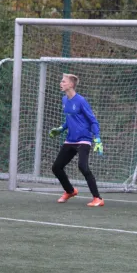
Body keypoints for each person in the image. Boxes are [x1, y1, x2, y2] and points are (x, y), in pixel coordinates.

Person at [48, 73, 105, 207]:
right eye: (61, 81)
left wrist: (97, 138)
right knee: (56, 167)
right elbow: (70, 120)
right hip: (70, 140)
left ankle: (98, 198)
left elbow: (93, 121)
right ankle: (70, 191)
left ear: (71, 85)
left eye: (63, 81)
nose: (61, 83)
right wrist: (61, 128)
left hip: (83, 139)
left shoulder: (81, 101)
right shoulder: (64, 100)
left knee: (82, 167)